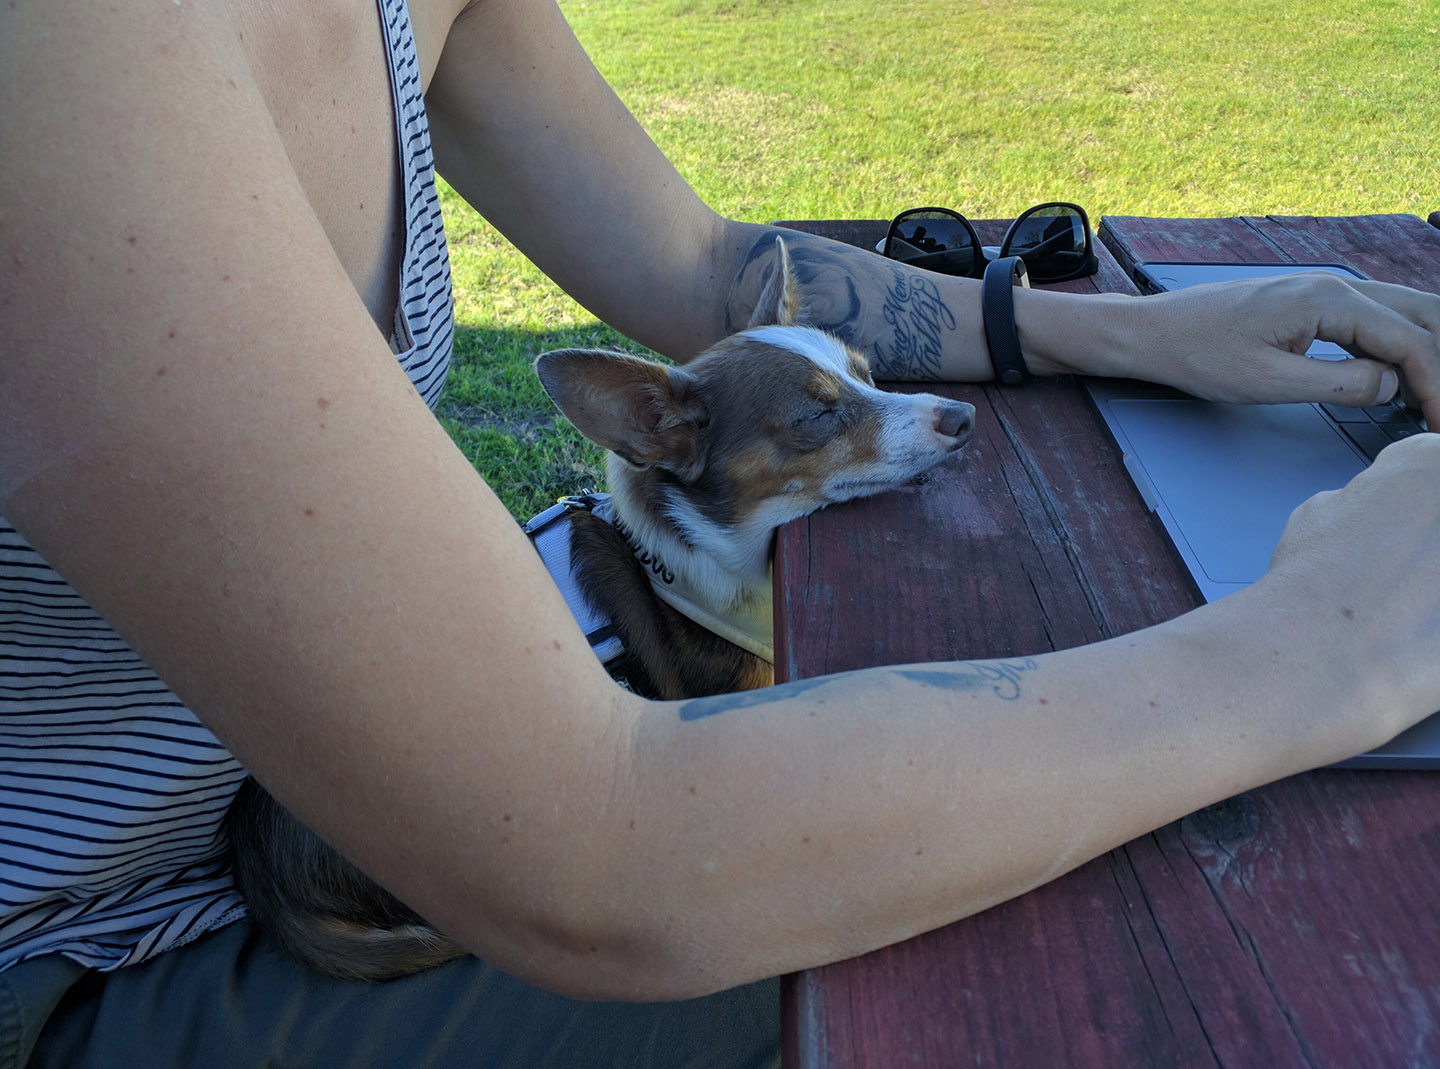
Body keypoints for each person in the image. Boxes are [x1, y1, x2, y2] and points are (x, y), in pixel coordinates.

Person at [1, 0, 1437, 1064]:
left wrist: (1134, 331)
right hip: (97, 954)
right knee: (1007, 924)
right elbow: (602, 853)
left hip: (310, 819)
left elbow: (711, 276)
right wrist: (1323, 643)